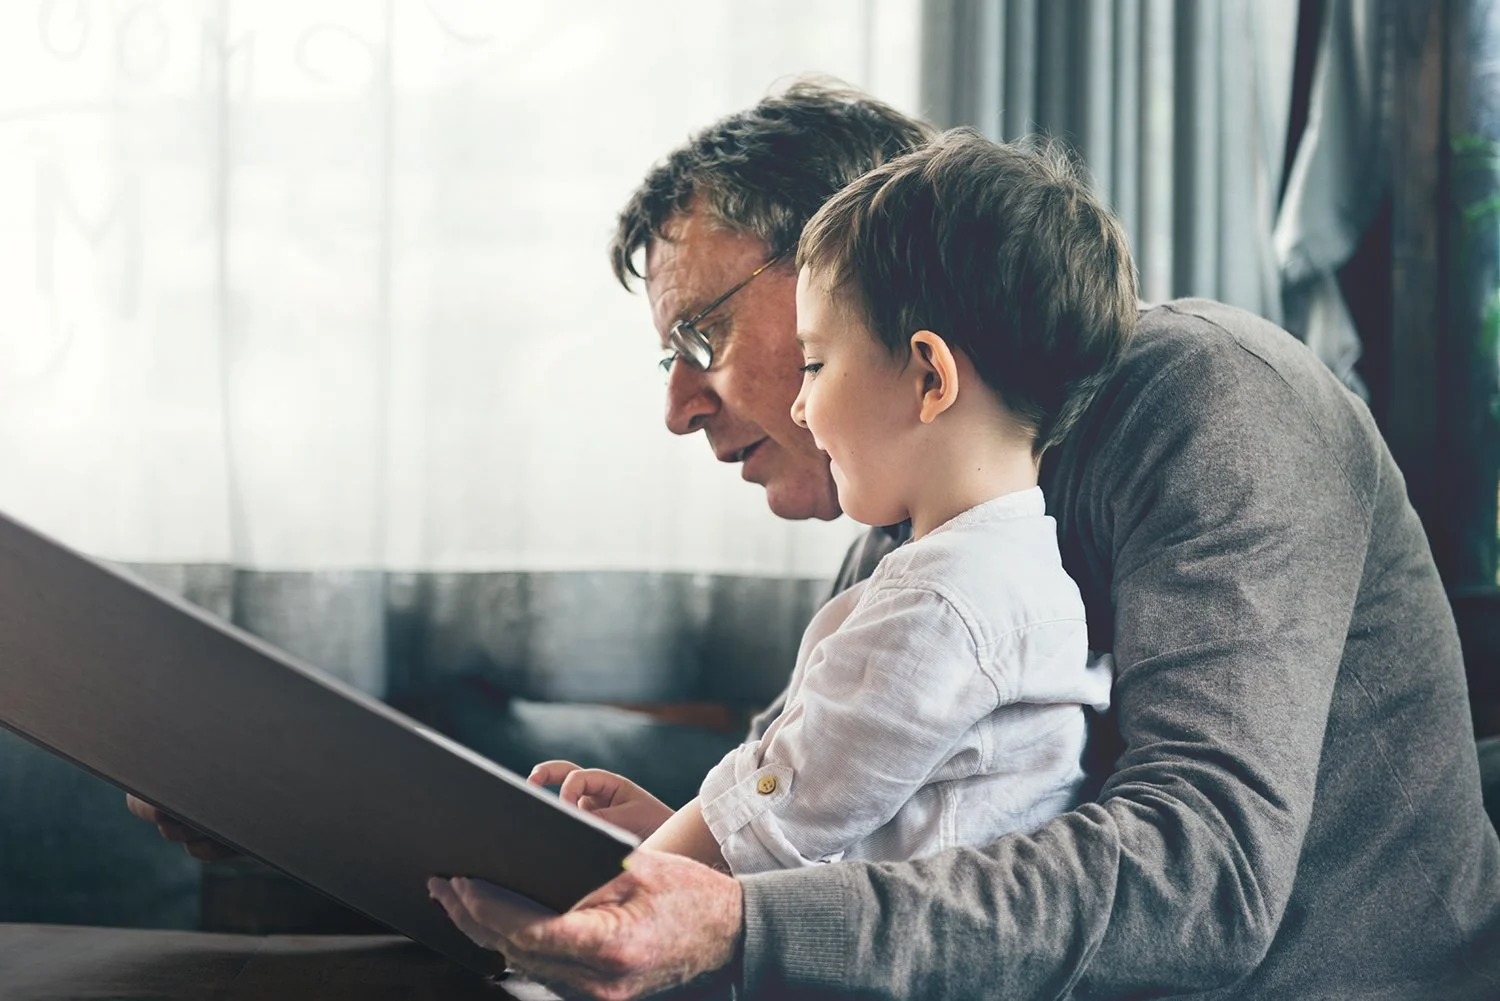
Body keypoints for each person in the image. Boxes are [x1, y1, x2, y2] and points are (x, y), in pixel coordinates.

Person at [424, 81, 1500, 999]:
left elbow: (1205, 880)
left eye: (700, 335)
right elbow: (810, 807)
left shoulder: (1214, 401)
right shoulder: (915, 523)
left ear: (855, 256)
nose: (678, 409)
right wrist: (679, 878)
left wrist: (744, 921)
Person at [520, 131, 1125, 877]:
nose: (801, 407)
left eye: (815, 363)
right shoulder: (1025, 578)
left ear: (931, 379)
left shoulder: (941, 604)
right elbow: (847, 823)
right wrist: (670, 829)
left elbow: (784, 817)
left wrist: (610, 897)